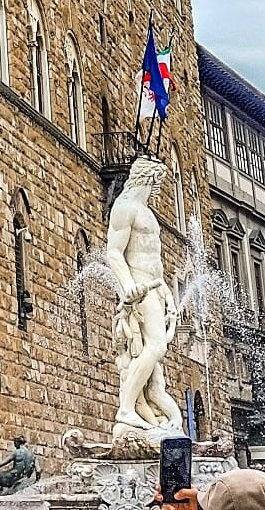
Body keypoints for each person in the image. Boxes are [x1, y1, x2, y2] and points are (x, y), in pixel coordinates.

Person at [105, 156, 183, 435]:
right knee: (156, 347)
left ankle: (151, 413)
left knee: (155, 359)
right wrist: (127, 285)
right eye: (158, 182)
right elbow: (113, 252)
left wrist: (168, 296)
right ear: (148, 179)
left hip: (155, 288)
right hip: (140, 289)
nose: (159, 189)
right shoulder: (124, 208)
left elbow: (155, 259)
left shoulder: (146, 211)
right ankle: (126, 409)